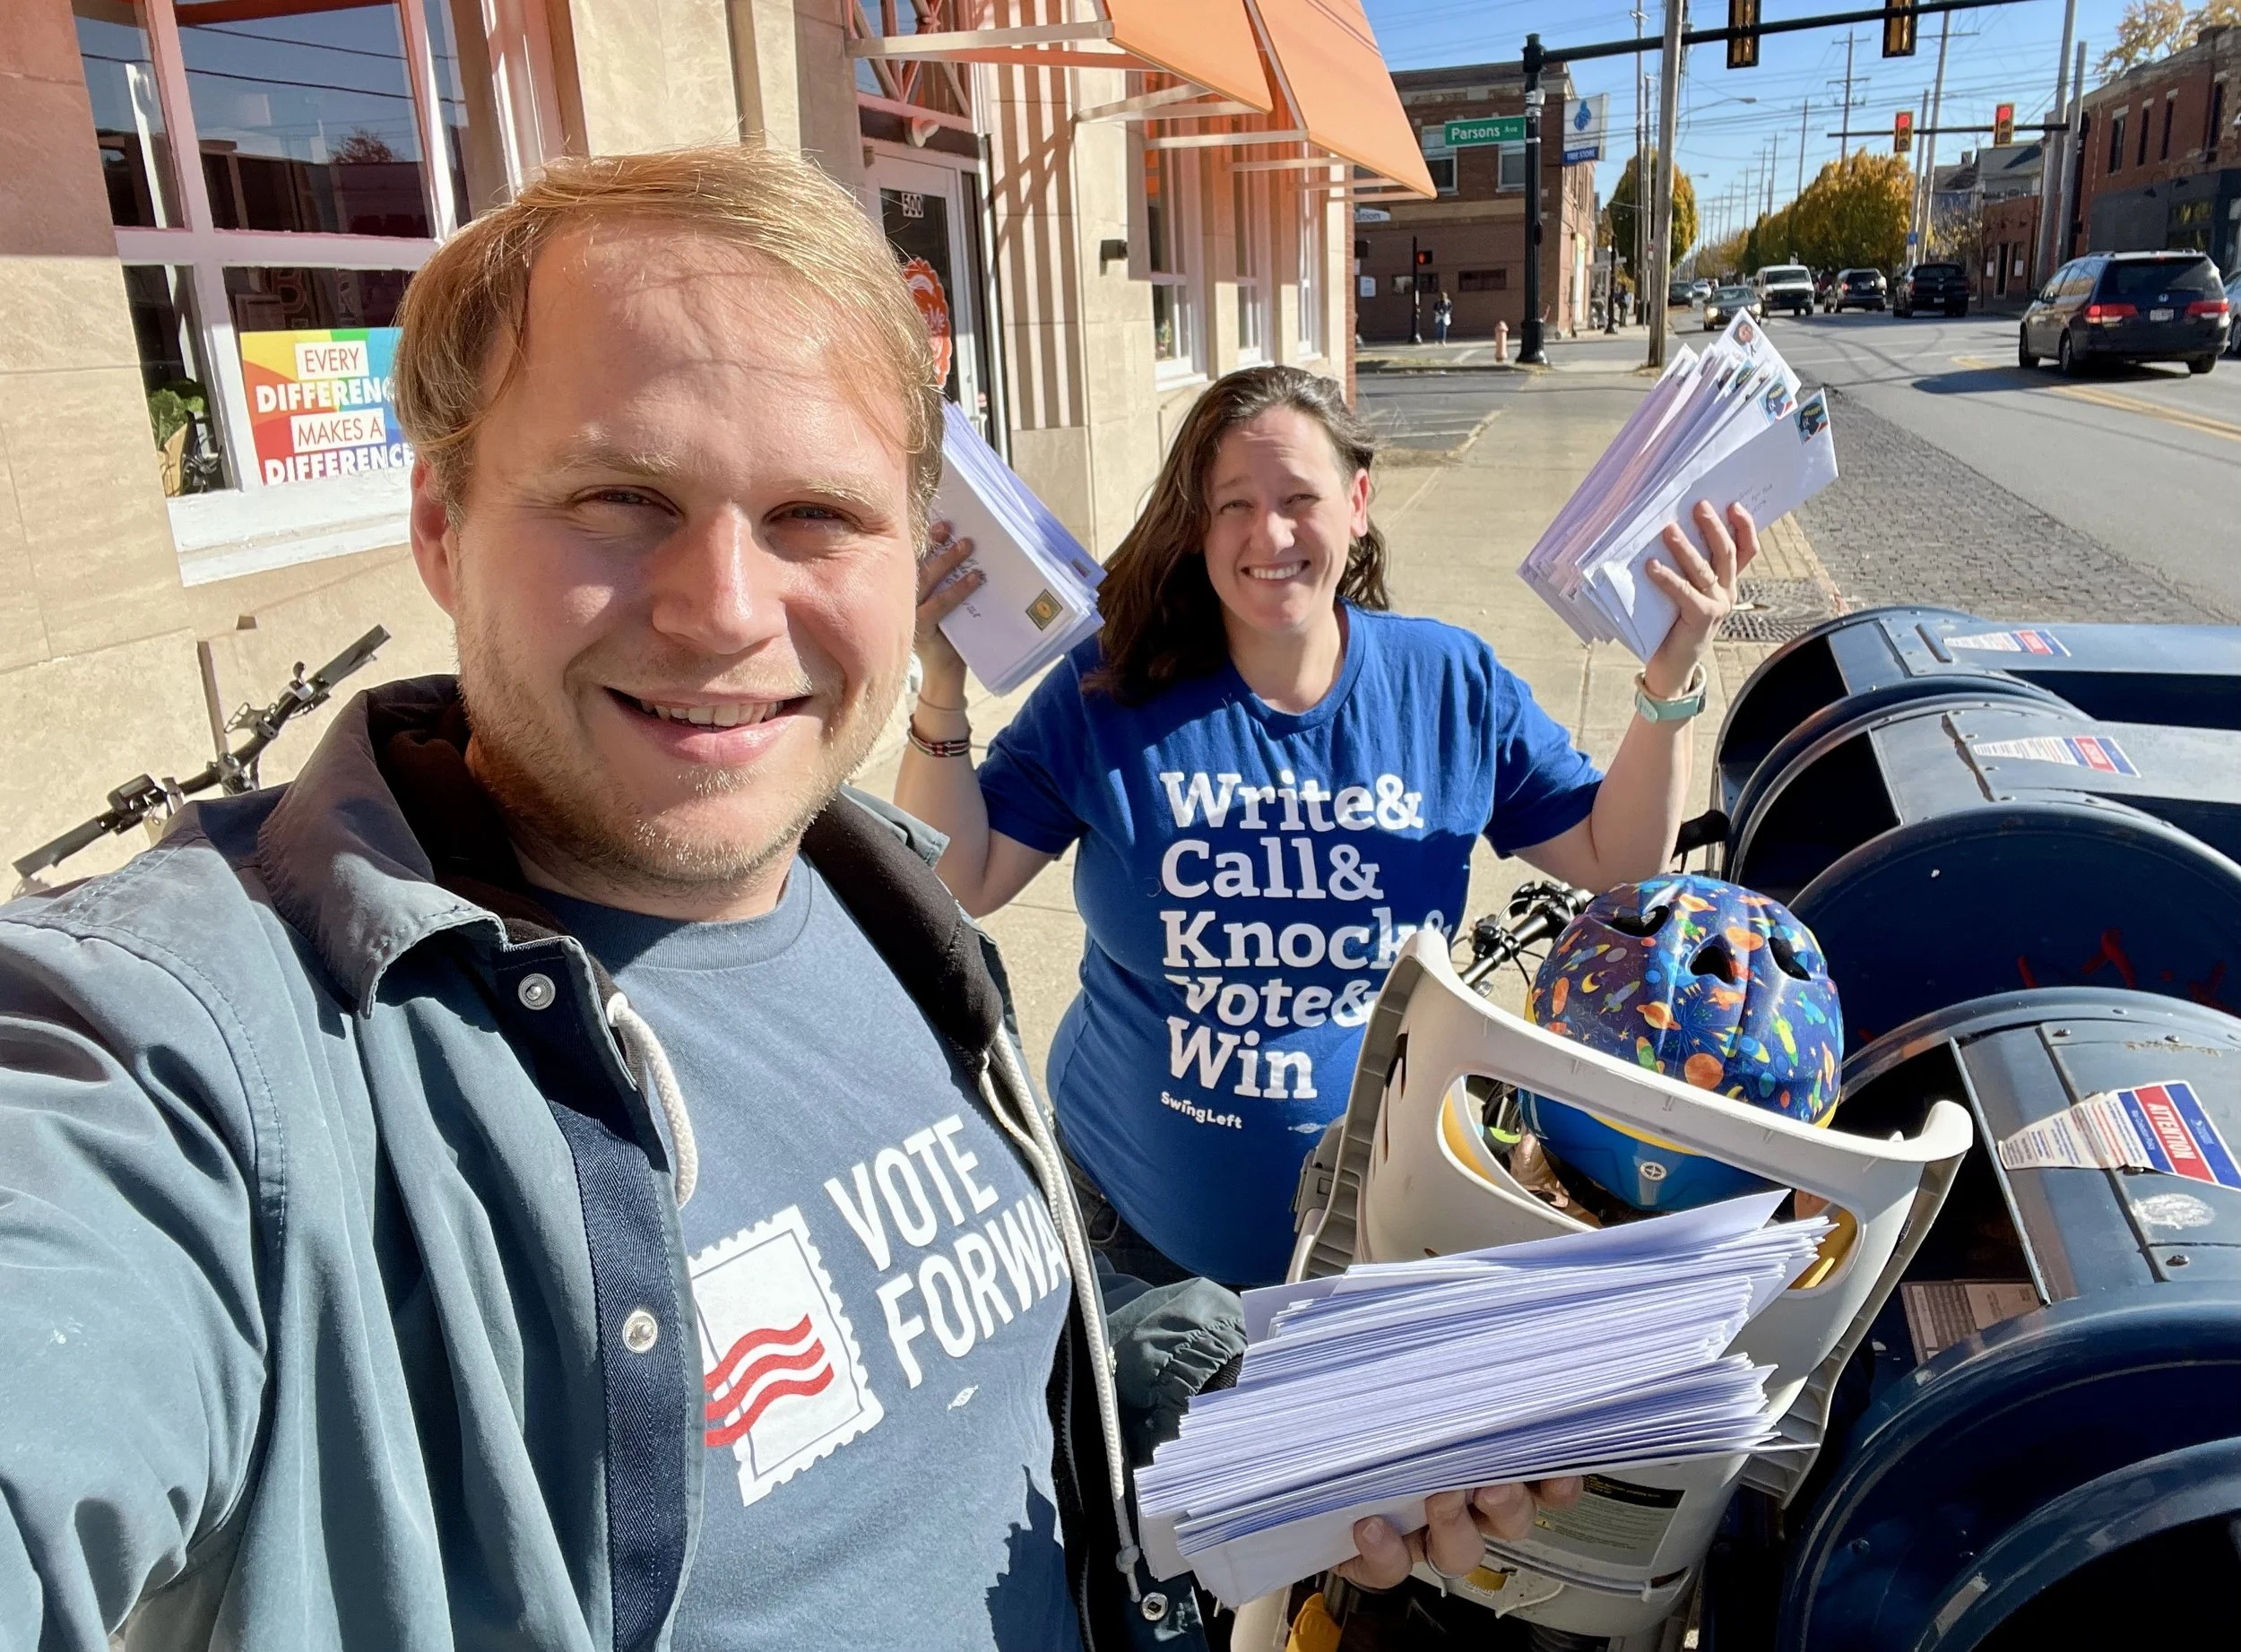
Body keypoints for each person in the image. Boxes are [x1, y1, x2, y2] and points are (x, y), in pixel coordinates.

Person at [0, 146, 1573, 1651]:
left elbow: (973, 1437)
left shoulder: (887, 902)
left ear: (913, 551)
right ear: (439, 524)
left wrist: (1289, 1451)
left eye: (817, 515)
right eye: (620, 499)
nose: (725, 609)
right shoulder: (205, 1057)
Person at [897, 367, 1753, 1290]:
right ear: (1198, 526)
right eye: (1233, 504)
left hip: (1366, 1238)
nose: (1268, 534)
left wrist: (1672, 674)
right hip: (1127, 1242)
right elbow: (956, 881)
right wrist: (939, 689)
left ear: (1355, 503)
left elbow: (1615, 856)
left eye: (1297, 499)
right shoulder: (1112, 690)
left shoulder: (1447, 687)